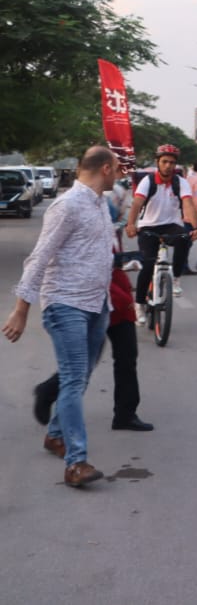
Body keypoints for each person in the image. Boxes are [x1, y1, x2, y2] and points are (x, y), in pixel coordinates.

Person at [4, 146, 119, 487]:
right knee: (72, 378)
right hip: (65, 304)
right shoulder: (67, 205)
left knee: (81, 377)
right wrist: (21, 309)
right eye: (117, 168)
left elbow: (95, 252)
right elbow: (39, 258)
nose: (120, 174)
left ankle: (55, 435)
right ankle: (76, 463)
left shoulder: (100, 204)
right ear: (106, 168)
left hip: (97, 304)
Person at [33, 248, 154, 433]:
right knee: (82, 367)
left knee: (127, 357)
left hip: (117, 298)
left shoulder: (109, 232)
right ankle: (51, 399)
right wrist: (22, 307)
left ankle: (125, 414)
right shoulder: (80, 231)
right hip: (92, 300)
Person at [127, 144, 197, 313]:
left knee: (185, 238)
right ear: (158, 162)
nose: (168, 165)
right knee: (148, 264)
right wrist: (131, 224)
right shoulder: (148, 181)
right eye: (164, 161)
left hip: (171, 225)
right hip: (148, 226)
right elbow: (137, 203)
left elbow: (188, 204)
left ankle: (175, 278)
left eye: (172, 163)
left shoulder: (180, 182)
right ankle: (139, 304)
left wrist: (196, 227)